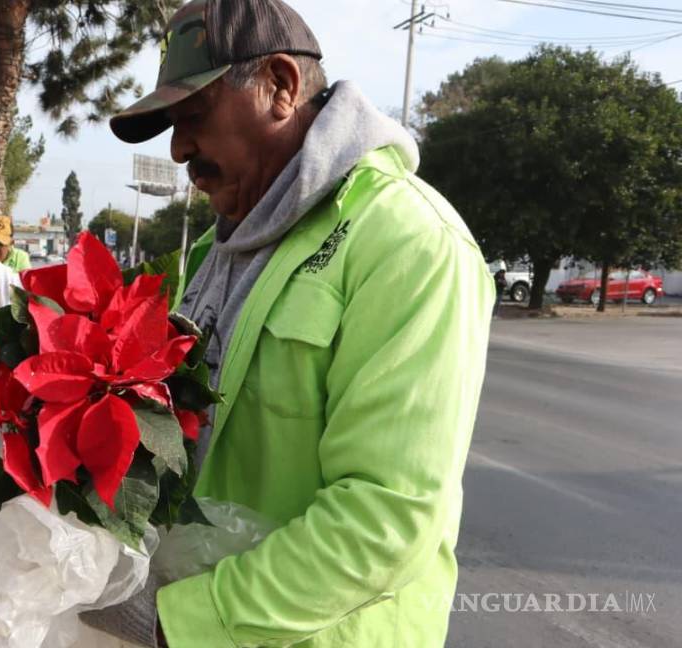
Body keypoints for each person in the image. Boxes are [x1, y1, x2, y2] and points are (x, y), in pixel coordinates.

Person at [81, 1, 494, 646]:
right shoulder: (218, 251)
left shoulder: (408, 242)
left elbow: (386, 516)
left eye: (194, 115)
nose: (179, 148)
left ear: (280, 85)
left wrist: (177, 623)